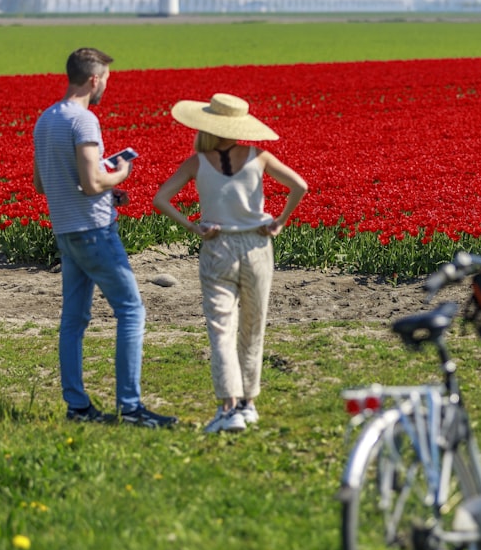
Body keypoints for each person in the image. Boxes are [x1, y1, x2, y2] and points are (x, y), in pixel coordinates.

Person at [32, 47, 177, 428]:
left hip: (65, 230)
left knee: (74, 319)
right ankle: (130, 408)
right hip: (95, 232)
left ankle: (77, 407)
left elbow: (41, 183)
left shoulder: (45, 119)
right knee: (131, 310)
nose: (106, 88)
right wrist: (119, 175)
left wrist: (102, 186)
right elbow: (92, 180)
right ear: (94, 79)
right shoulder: (85, 121)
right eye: (107, 80)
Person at [152, 93, 308, 433]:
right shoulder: (260, 155)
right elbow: (300, 185)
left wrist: (193, 226)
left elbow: (161, 198)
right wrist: (280, 220)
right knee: (253, 326)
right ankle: (249, 404)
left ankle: (228, 408)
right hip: (256, 245)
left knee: (222, 328)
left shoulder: (197, 162)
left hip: (217, 246)